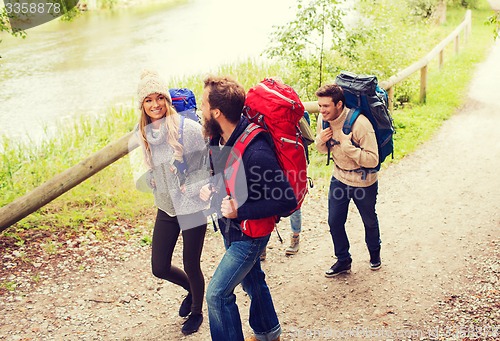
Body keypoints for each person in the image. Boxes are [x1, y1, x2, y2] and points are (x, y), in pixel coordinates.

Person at [199, 75, 296, 341]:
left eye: (203, 104)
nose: (200, 108)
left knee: (217, 294)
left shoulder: (256, 151)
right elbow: (224, 176)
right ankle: (269, 332)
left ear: (216, 112)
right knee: (252, 279)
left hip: (250, 234)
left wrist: (238, 211)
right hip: (231, 228)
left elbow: (286, 200)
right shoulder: (218, 138)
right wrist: (211, 187)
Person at [134, 70, 210, 335]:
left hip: (192, 207)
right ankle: (191, 290)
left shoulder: (186, 129)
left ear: (166, 99)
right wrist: (151, 178)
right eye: (148, 100)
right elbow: (145, 168)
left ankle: (197, 310)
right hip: (166, 206)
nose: (155, 105)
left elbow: (207, 166)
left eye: (159, 98)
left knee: (191, 263)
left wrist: (197, 187)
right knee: (160, 267)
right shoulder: (144, 133)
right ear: (141, 105)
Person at [315, 83, 382, 277]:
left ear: (339, 104)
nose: (321, 110)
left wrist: (348, 147)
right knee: (334, 221)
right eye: (319, 106)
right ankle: (343, 260)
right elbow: (323, 150)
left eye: (325, 106)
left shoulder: (360, 124)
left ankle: (374, 255)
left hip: (363, 181)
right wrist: (320, 140)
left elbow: (373, 159)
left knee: (369, 221)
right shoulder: (323, 120)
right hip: (339, 178)